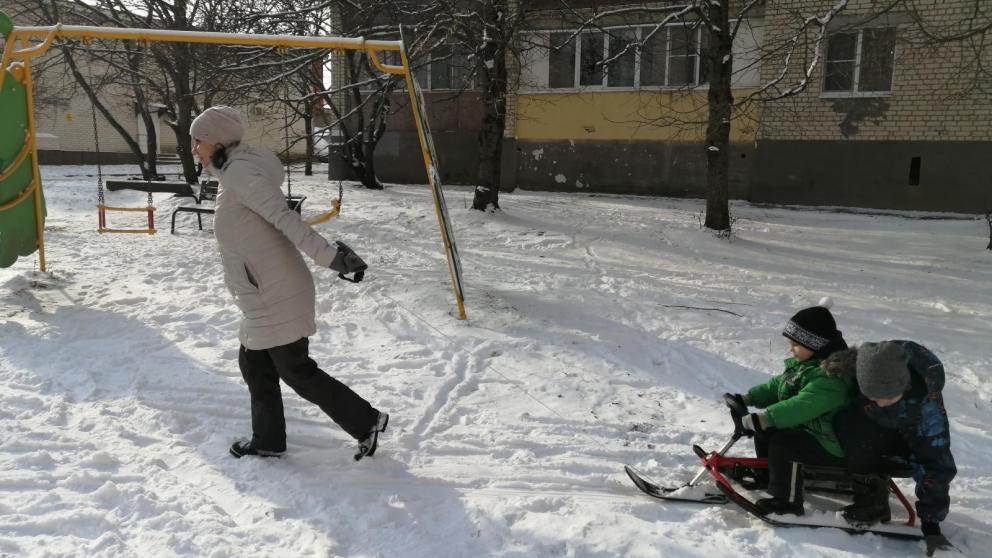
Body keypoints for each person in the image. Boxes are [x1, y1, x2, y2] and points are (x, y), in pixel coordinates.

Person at [189, 106, 387, 462]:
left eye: (198, 142)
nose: (194, 149)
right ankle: (267, 440)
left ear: (217, 141)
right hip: (263, 290)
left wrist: (329, 257)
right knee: (255, 365)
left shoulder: (240, 174)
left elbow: (284, 217)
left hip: (274, 292)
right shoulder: (233, 171)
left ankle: (366, 421)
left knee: (295, 370)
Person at [824, 341, 956, 556]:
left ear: (903, 386)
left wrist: (931, 526)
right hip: (878, 422)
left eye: (886, 398)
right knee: (846, 418)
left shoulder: (925, 412)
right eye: (873, 396)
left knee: (854, 427)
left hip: (904, 444)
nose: (880, 402)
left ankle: (872, 497)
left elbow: (937, 465)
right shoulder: (876, 362)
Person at [724, 301, 851, 515]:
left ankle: (788, 501)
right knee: (766, 432)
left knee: (786, 443)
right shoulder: (808, 366)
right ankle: (771, 476)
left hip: (831, 443)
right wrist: (749, 398)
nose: (791, 349)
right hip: (815, 431)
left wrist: (767, 417)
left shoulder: (832, 377)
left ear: (815, 344)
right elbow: (777, 386)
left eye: (795, 344)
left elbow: (801, 406)